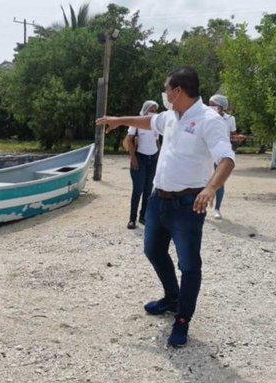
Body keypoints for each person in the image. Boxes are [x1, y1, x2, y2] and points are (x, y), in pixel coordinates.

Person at [96, 67, 235, 347]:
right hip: (159, 200)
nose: (164, 93)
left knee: (189, 265)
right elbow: (149, 121)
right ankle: (172, 297)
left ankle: (182, 320)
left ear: (178, 91)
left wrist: (210, 188)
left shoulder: (210, 120)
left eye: (166, 88)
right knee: (153, 250)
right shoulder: (171, 116)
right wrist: (118, 120)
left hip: (188, 204)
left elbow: (227, 159)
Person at [124, 100, 160, 230]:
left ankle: (143, 216)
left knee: (148, 190)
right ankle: (132, 219)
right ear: (145, 110)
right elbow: (129, 139)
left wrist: (160, 155)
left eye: (155, 110)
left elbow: (156, 141)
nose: (154, 112)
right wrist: (133, 158)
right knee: (138, 190)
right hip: (140, 158)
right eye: (152, 109)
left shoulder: (155, 124)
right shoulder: (137, 122)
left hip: (153, 159)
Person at [208, 94, 236, 220]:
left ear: (221, 106)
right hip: (207, 151)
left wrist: (236, 139)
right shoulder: (207, 117)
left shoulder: (230, 119)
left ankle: (217, 208)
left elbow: (232, 135)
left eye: (213, 104)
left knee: (219, 180)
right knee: (202, 178)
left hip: (221, 153)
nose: (211, 106)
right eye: (210, 104)